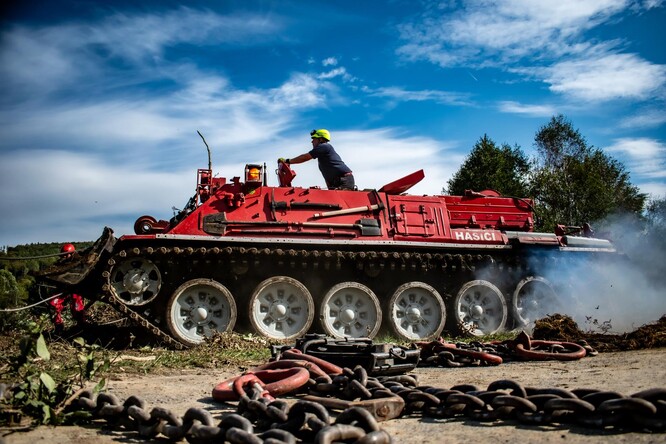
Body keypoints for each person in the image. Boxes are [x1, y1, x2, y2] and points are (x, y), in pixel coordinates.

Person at [280, 129, 356, 190]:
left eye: (314, 139)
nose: (312, 141)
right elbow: (327, 177)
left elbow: (305, 157)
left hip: (344, 181)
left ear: (321, 139)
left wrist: (288, 161)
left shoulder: (325, 146)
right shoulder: (323, 160)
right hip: (339, 182)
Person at [49, 243, 86, 331]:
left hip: (76, 289)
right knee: (53, 305)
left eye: (67, 254)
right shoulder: (59, 265)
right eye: (64, 255)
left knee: (77, 309)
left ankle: (82, 327)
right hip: (63, 289)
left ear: (72, 253)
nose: (66, 257)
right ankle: (59, 327)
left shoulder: (79, 262)